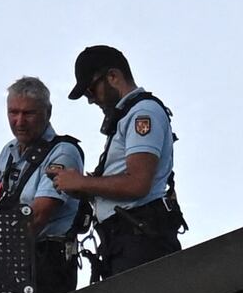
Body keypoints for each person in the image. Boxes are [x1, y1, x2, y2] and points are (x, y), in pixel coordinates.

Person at [59, 46, 181, 275]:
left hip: (140, 241)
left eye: (91, 90)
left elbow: (137, 183)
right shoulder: (127, 117)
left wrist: (81, 183)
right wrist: (89, 188)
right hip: (125, 241)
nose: (90, 100)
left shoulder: (142, 113)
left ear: (113, 76)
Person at [0, 77, 84, 293]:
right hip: (14, 260)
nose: (19, 121)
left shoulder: (63, 151)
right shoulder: (9, 152)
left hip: (48, 262)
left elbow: (39, 215)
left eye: (28, 113)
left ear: (48, 112)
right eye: (13, 112)